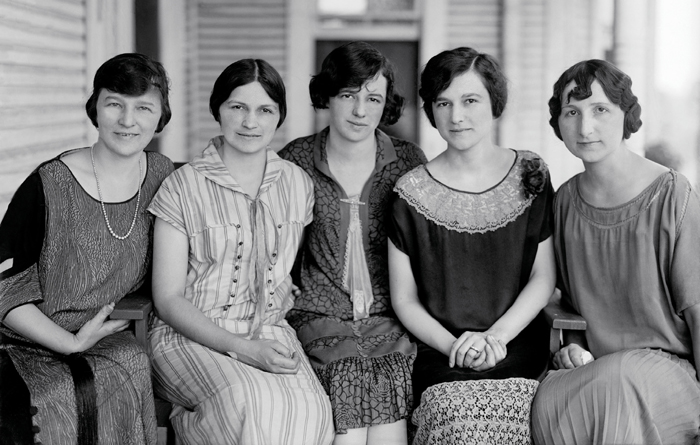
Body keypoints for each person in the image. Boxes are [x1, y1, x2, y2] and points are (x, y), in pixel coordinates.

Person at [148, 58, 334, 445]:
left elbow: (287, 273)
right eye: (238, 107)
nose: (251, 122)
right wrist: (241, 349)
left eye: (265, 110)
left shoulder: (297, 184)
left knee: (311, 413)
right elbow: (167, 299)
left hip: (270, 331)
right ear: (217, 108)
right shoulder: (182, 186)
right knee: (248, 404)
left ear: (279, 117)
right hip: (190, 334)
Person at [0, 53, 173, 445]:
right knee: (38, 407)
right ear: (96, 107)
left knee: (126, 370)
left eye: (143, 107)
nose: (128, 121)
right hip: (23, 341)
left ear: (161, 117)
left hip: (106, 339)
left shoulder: (164, 176)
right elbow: (4, 287)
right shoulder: (49, 183)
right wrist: (69, 343)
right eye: (115, 104)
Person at [386, 47, 556, 445]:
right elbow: (404, 299)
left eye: (470, 100)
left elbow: (542, 276)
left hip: (518, 345)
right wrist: (455, 346)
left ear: (494, 104)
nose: (456, 116)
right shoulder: (408, 192)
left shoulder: (530, 174)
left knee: (526, 415)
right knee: (458, 419)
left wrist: (496, 337)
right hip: (440, 351)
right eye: (443, 103)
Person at [531, 59, 700, 445]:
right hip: (595, 372)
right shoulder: (563, 203)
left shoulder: (673, 194)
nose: (584, 127)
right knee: (547, 400)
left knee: (620, 382)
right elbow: (564, 302)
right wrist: (571, 348)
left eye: (600, 110)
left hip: (668, 374)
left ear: (627, 116)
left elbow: (698, 311)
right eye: (571, 112)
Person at [278, 41, 426, 444]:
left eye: (373, 98)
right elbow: (273, 242)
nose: (360, 111)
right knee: (348, 368)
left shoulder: (409, 162)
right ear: (327, 95)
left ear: (385, 105)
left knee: (387, 370)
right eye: (348, 96)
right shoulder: (296, 160)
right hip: (316, 310)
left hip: (388, 312)